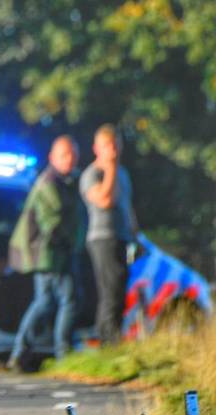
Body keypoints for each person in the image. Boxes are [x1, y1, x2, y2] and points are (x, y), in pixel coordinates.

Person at [6, 135, 84, 369]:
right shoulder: (50, 183)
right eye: (65, 155)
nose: (70, 159)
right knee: (69, 300)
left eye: (73, 154)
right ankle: (63, 353)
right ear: (53, 157)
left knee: (45, 301)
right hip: (49, 254)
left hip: (49, 253)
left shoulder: (64, 181)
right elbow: (55, 222)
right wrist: (72, 243)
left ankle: (20, 352)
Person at [80, 124, 137, 345]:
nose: (112, 151)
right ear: (97, 148)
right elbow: (106, 200)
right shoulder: (92, 174)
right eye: (107, 146)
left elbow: (126, 206)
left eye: (115, 145)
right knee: (110, 290)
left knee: (120, 289)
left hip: (122, 238)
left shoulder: (123, 174)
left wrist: (135, 235)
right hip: (102, 239)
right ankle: (108, 337)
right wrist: (110, 167)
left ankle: (111, 336)